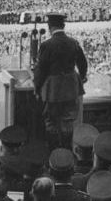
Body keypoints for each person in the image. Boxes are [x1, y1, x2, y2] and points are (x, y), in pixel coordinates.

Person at [32, 13, 88, 150]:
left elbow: (41, 70)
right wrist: (81, 78)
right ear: (63, 25)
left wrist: (37, 88)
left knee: (51, 122)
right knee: (67, 122)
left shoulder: (47, 45)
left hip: (53, 90)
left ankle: (54, 154)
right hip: (71, 88)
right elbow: (83, 63)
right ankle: (66, 154)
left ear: (49, 27)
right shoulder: (73, 42)